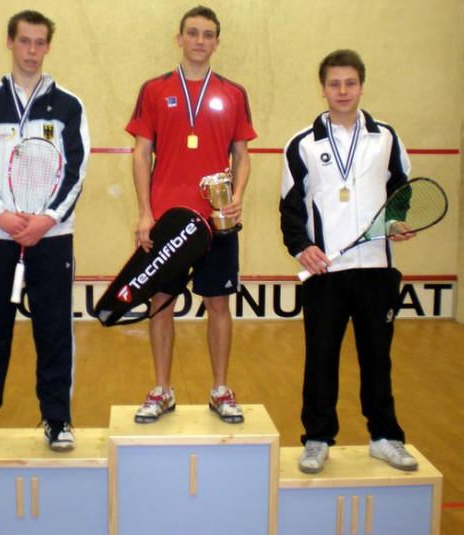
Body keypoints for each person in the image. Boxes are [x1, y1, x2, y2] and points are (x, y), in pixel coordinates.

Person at [0, 10, 90, 452]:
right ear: (9, 42)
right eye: (25, 41)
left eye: (40, 42)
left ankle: (57, 419)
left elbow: (76, 171)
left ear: (48, 46)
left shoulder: (69, 106)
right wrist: (1, 214)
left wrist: (48, 218)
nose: (32, 50)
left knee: (53, 329)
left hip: (52, 237)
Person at [279, 49, 418, 473]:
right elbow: (290, 207)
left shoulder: (386, 137)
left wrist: (394, 221)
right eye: (334, 83)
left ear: (361, 86)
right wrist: (302, 248)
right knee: (321, 358)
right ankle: (317, 438)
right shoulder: (302, 144)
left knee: (377, 358)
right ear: (322, 88)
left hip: (377, 269)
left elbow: (401, 190)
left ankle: (385, 437)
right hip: (326, 273)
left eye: (350, 83)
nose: (342, 91)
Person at [125, 5, 256, 423]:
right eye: (193, 33)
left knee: (218, 304)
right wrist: (145, 213)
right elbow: (141, 153)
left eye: (208, 34)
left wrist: (236, 196)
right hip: (168, 222)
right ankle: (162, 390)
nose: (200, 41)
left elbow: (242, 155)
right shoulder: (154, 90)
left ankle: (220, 390)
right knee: (161, 303)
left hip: (217, 223)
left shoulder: (233, 93)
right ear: (179, 38)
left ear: (217, 42)